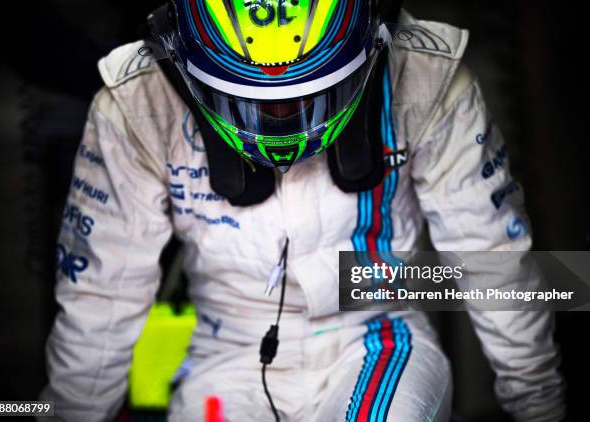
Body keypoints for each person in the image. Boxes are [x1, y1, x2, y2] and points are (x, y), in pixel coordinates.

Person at [40, 0, 565, 420]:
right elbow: (104, 293)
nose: (280, 113)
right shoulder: (137, 103)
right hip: (226, 354)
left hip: (376, 336)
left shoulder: (426, 76)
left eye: (307, 92)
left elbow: (490, 258)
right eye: (252, 96)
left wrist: (540, 403)